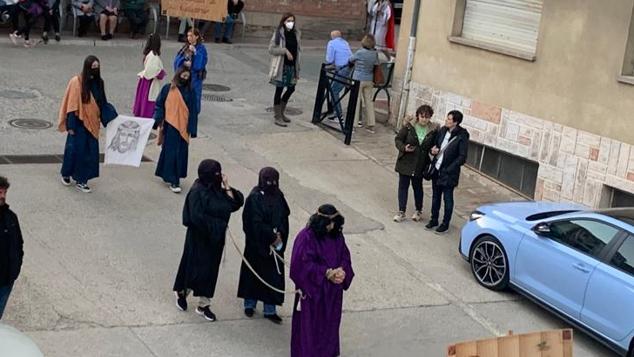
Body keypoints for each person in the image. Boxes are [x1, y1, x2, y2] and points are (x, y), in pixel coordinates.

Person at [173, 159, 244, 322]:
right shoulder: (197, 191)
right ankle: (182, 292)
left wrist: (227, 187)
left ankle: (204, 304)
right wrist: (217, 224)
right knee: (194, 268)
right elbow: (196, 217)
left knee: (210, 271)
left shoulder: (218, 189)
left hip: (215, 240)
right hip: (199, 238)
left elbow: (235, 203)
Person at [290, 204, 354, 357]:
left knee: (329, 330)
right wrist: (325, 273)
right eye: (329, 223)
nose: (332, 226)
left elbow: (345, 257)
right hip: (313, 295)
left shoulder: (337, 236)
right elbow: (300, 265)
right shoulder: (306, 237)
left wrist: (342, 271)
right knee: (310, 332)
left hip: (332, 294)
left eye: (334, 223)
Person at [237, 167, 290, 324]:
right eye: (268, 181)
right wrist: (269, 236)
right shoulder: (254, 198)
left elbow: (284, 219)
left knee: (272, 277)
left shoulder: (279, 196)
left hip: (275, 247)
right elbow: (252, 222)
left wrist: (280, 237)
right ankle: (249, 304)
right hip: (256, 246)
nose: (271, 184)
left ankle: (270, 309)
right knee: (253, 274)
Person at [58, 55, 112, 193]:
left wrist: (111, 118)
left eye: (97, 67)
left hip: (93, 123)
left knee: (89, 153)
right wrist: (70, 125)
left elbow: (102, 103)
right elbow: (72, 105)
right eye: (93, 67)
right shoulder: (77, 82)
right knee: (74, 151)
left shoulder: (100, 83)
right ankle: (66, 173)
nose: (95, 70)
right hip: (78, 123)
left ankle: (82, 180)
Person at [153, 68, 198, 193]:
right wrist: (157, 121)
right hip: (170, 126)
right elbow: (159, 104)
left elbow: (193, 111)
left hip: (183, 127)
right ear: (178, 75)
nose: (184, 78)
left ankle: (174, 178)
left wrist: (192, 129)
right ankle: (172, 179)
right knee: (170, 152)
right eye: (183, 75)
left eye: (187, 76)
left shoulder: (191, 91)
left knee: (179, 153)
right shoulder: (168, 88)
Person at [393, 105, 439, 223]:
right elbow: (398, 139)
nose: (424, 119)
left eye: (427, 117)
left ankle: (418, 210)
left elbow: (432, 146)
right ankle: (401, 211)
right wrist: (404, 148)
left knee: (417, 188)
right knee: (403, 187)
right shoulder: (409, 127)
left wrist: (432, 151)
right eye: (422, 116)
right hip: (406, 161)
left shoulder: (433, 130)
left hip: (420, 163)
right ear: (417, 116)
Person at [426, 110, 470, 233]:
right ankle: (434, 219)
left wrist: (449, 168)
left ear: (455, 122)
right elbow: (435, 145)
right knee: (435, 197)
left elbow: (462, 157)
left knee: (448, 199)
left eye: (449, 119)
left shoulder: (462, 136)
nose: (446, 120)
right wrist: (433, 151)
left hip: (449, 173)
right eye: (447, 118)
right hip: (437, 169)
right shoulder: (442, 131)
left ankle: (445, 223)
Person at [268, 13, 301, 127]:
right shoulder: (278, 33)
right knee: (279, 89)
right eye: (288, 20)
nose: (291, 23)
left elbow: (298, 51)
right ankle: (277, 116)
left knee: (291, 88)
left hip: (292, 66)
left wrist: (298, 68)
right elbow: (271, 49)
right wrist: (285, 51)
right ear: (283, 21)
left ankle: (281, 112)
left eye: (292, 20)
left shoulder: (296, 34)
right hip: (282, 66)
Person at [0, 176, 24, 320]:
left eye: (4, 193)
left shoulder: (11, 218)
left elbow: (19, 243)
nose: (2, 196)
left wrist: (15, 270)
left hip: (6, 281)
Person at [349, 34, 379, 133]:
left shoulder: (360, 52)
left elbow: (350, 59)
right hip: (369, 79)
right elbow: (376, 64)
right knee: (369, 102)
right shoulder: (375, 53)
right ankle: (371, 125)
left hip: (358, 79)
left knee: (356, 102)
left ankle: (353, 124)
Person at [174, 28, 208, 115]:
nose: (189, 38)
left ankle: (193, 112)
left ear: (196, 37)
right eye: (188, 35)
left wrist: (195, 53)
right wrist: (183, 61)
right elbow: (176, 61)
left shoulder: (201, 49)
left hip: (195, 77)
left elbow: (200, 64)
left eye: (191, 36)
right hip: (185, 75)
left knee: (195, 94)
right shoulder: (185, 47)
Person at [133, 33, 165, 118]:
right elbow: (151, 71)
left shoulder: (150, 54)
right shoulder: (154, 57)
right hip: (150, 83)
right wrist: (161, 73)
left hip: (146, 81)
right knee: (148, 101)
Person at [325, 30, 352, 120]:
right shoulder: (345, 43)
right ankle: (335, 111)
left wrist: (331, 64)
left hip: (341, 69)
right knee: (335, 89)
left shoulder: (331, 43)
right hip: (349, 68)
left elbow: (329, 59)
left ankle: (338, 114)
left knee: (333, 91)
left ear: (332, 36)